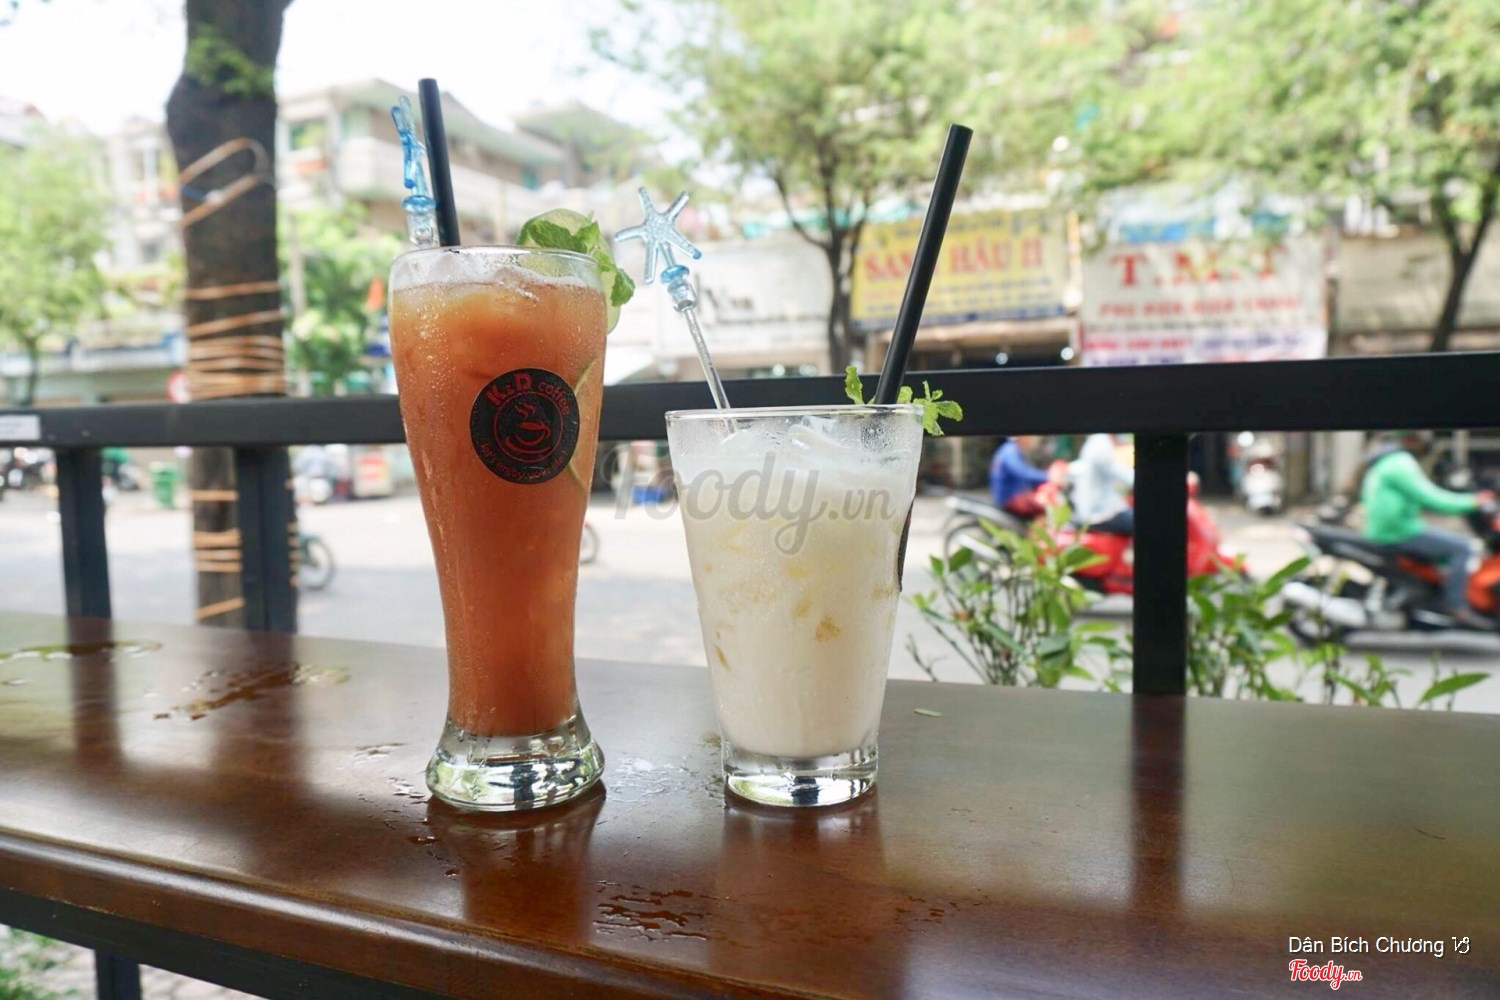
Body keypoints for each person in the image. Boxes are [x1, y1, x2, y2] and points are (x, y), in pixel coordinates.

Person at [1361, 431, 1493, 627]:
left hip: (1388, 528)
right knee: (1462, 547)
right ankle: (1457, 607)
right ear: (1410, 439)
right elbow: (1431, 498)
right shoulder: (1399, 462)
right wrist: (1473, 501)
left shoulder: (1385, 460)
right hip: (1398, 531)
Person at [1070, 432, 1135, 533]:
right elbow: (1123, 475)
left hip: (1097, 509)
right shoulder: (1100, 444)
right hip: (1099, 514)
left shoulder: (1098, 440)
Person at [988, 436, 1052, 519]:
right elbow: (1023, 472)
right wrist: (1048, 476)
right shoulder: (1010, 451)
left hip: (1013, 495)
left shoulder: (1011, 449)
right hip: (1009, 499)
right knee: (1045, 507)